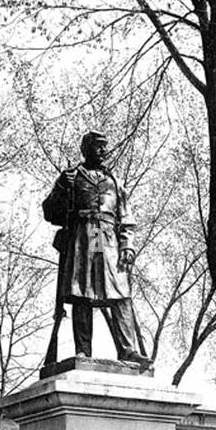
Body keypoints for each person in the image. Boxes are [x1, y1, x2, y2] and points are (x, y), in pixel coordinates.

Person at [42, 130, 149, 365]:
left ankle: (128, 349)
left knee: (120, 292)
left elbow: (126, 217)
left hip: (107, 237)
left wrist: (127, 245)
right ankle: (83, 350)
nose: (103, 150)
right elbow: (50, 212)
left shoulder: (114, 181)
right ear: (86, 148)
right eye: (98, 146)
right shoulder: (71, 178)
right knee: (83, 291)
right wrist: (61, 186)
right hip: (84, 235)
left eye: (105, 146)